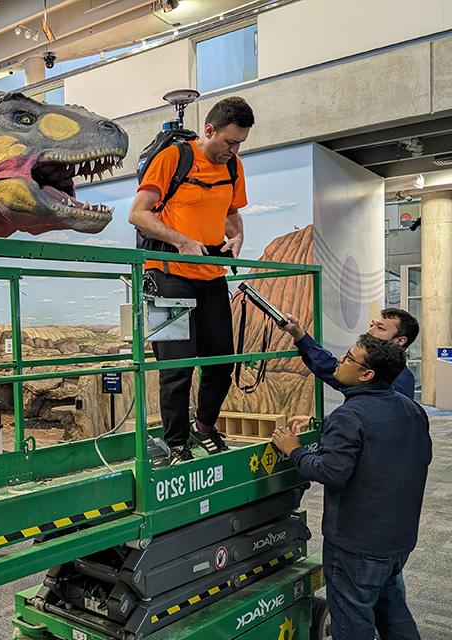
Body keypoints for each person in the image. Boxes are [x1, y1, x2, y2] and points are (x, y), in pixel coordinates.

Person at [272, 334, 431, 640]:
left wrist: (295, 450)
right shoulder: (412, 410)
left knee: (351, 621)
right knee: (393, 611)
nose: (340, 361)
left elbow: (332, 473)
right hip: (398, 540)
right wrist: (323, 427)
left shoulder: (349, 417)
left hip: (356, 547)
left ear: (366, 374)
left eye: (348, 358)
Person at [128, 96, 254, 463]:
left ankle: (203, 428)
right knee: (176, 368)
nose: (233, 150)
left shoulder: (234, 167)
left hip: (211, 275)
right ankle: (176, 443)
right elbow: (137, 214)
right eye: (229, 142)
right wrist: (181, 241)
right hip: (165, 276)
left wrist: (237, 237)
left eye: (240, 144)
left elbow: (231, 212)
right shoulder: (173, 159)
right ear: (209, 130)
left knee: (220, 364)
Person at [279, 308, 418, 399]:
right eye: (372, 325)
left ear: (400, 340)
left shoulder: (400, 382)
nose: (369, 332)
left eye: (380, 328)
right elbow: (330, 368)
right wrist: (299, 334)